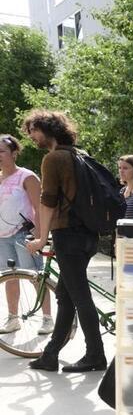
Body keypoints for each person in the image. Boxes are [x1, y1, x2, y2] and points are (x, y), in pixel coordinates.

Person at [22, 110, 106, 372]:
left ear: (48, 129)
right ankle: (51, 354)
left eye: (33, 130)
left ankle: (95, 356)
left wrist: (41, 239)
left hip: (68, 235)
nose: (31, 136)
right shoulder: (80, 155)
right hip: (88, 235)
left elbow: (47, 203)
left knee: (80, 297)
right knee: (66, 295)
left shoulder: (53, 159)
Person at [0, 133, 52, 335]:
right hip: (2, 237)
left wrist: (40, 237)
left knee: (35, 276)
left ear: (14, 153)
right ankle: (13, 318)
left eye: (2, 151)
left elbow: (39, 208)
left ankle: (47, 319)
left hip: (24, 235)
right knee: (9, 277)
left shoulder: (27, 176)